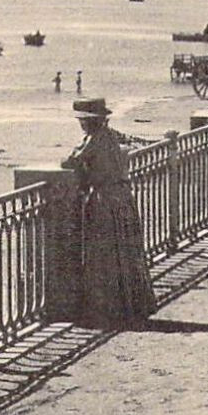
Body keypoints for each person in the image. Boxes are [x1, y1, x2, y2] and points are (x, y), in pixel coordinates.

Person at [60, 99, 156, 328]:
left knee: (104, 254)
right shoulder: (111, 136)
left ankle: (109, 308)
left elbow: (71, 161)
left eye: (83, 120)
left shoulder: (95, 140)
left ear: (90, 122)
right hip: (123, 198)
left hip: (106, 200)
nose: (81, 124)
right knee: (125, 253)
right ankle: (131, 304)